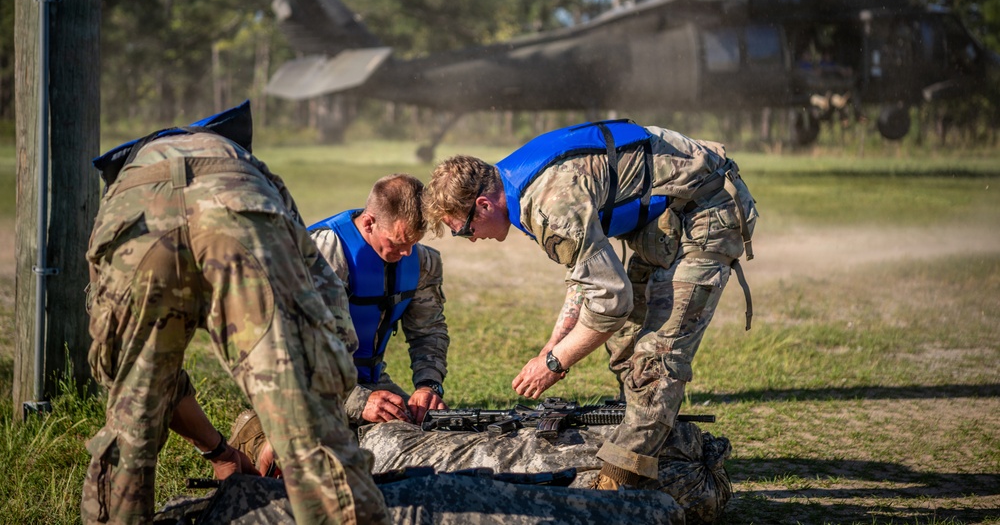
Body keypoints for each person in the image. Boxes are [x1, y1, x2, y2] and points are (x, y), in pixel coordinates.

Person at [81, 101, 390, 525]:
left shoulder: (126, 181)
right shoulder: (244, 163)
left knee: (129, 428)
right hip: (238, 202)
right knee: (306, 422)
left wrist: (221, 454)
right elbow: (327, 296)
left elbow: (147, 378)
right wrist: (307, 404)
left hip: (134, 217)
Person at [422, 119, 757, 492]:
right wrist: (555, 342)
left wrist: (554, 363)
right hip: (664, 221)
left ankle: (616, 487)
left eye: (463, 229)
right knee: (626, 342)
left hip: (702, 213)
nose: (468, 239)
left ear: (483, 204)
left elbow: (613, 300)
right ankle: (657, 450)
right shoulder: (516, 181)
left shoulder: (550, 206)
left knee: (655, 361)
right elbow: (588, 277)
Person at [233, 174, 450, 474]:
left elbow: (429, 331)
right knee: (315, 463)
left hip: (369, 381)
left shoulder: (421, 261)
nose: (406, 253)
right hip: (303, 382)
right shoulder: (323, 254)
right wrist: (357, 401)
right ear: (369, 222)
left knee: (432, 437)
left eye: (413, 242)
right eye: (397, 243)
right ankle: (257, 433)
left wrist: (428, 385)